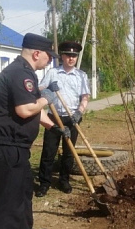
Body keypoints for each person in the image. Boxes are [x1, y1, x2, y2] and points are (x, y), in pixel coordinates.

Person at [0, 33, 70, 229]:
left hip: (14, 150)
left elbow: (34, 111)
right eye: (49, 56)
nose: (50, 61)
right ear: (37, 53)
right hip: (6, 149)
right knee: (8, 205)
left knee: (21, 197)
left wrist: (54, 128)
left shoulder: (25, 72)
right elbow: (25, 110)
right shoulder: (20, 73)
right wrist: (47, 97)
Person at [36, 41, 91, 197]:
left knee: (69, 152)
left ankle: (64, 180)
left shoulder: (81, 76)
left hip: (72, 118)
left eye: (74, 56)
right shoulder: (53, 73)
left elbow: (85, 97)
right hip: (53, 118)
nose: (71, 58)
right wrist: (47, 89)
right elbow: (39, 90)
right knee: (48, 152)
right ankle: (44, 183)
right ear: (62, 56)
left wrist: (79, 112)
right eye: (68, 55)